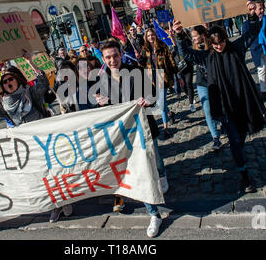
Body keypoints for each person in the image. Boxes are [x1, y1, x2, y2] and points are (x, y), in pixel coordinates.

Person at [0, 65, 74, 225]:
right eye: (5, 81)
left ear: (17, 80)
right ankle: (55, 206)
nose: (8, 82)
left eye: (10, 79)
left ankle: (65, 200)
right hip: (27, 147)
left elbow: (43, 83)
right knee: (41, 176)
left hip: (44, 140)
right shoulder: (5, 104)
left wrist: (30, 62)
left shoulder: (30, 93)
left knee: (54, 172)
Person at [172, 22, 266, 194]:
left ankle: (239, 155)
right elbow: (186, 52)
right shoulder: (207, 56)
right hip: (225, 107)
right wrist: (179, 35)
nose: (218, 46)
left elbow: (251, 34)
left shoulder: (236, 48)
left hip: (241, 101)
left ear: (225, 39)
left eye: (221, 42)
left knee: (242, 134)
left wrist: (253, 16)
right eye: (215, 43)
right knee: (234, 140)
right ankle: (244, 174)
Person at [95, 40, 167, 238]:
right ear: (103, 59)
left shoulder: (135, 70)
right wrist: (100, 103)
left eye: (115, 55)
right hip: (125, 137)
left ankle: (162, 175)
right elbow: (103, 110)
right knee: (140, 172)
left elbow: (153, 94)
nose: (112, 60)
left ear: (121, 54)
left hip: (144, 128)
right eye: (108, 57)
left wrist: (147, 100)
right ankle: (154, 214)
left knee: (157, 162)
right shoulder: (101, 80)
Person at [172, 24, 223, 150]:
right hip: (202, 83)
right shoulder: (194, 47)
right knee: (207, 110)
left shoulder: (214, 46)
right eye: (192, 36)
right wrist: (178, 35)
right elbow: (184, 52)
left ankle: (223, 124)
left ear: (203, 35)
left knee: (221, 107)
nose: (193, 38)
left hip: (217, 81)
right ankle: (215, 137)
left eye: (195, 36)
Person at [138, 28, 178, 140]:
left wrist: (177, 75)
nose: (151, 37)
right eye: (149, 35)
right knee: (162, 102)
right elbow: (142, 66)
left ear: (155, 35)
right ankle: (170, 113)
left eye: (152, 35)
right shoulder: (144, 49)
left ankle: (165, 128)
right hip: (151, 80)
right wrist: (140, 60)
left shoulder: (162, 46)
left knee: (161, 104)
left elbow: (171, 60)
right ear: (146, 37)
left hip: (162, 78)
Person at [242, 0, 266, 100]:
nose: (261, 11)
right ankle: (263, 90)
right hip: (256, 48)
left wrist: (265, 39)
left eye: (262, 8)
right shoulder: (247, 23)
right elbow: (246, 35)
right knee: (261, 68)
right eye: (259, 9)